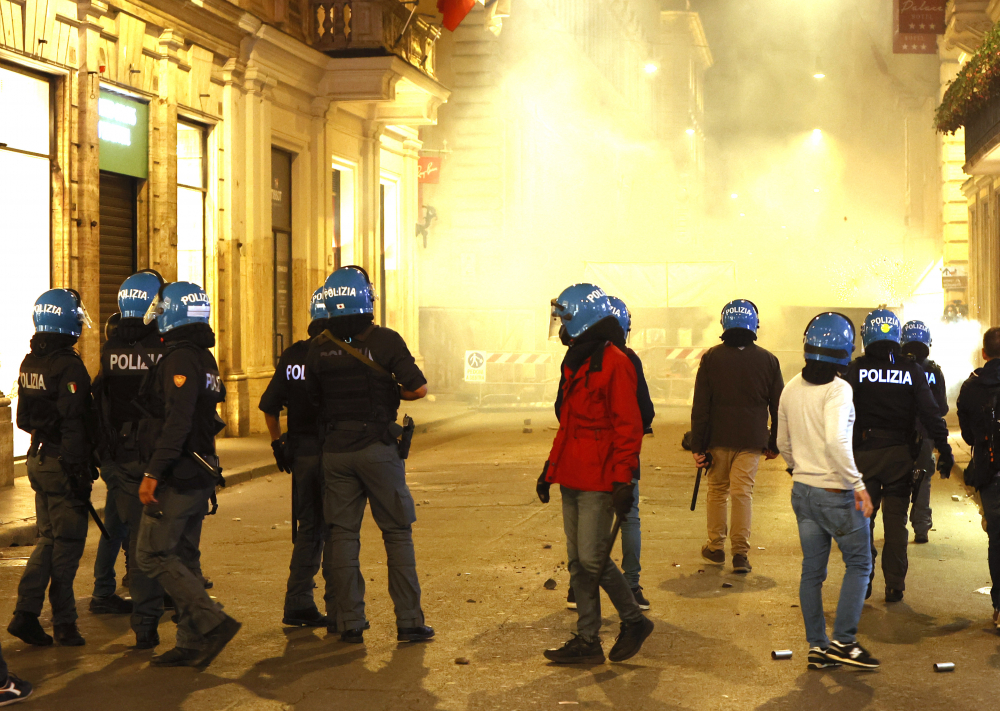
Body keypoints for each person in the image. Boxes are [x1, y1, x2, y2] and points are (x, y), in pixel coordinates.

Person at [306, 266, 432, 644]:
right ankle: (409, 621)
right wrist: (392, 393)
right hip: (378, 449)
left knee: (342, 536)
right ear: (368, 300)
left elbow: (313, 400)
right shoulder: (387, 341)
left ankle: (349, 622)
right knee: (397, 534)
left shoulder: (318, 347)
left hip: (336, 452)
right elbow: (418, 389)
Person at [538, 283, 653, 665]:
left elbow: (628, 426)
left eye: (566, 320)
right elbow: (568, 424)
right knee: (577, 562)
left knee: (592, 559)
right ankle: (587, 640)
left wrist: (623, 480)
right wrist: (549, 470)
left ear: (583, 320)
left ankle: (633, 620)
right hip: (572, 473)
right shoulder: (577, 360)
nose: (562, 329)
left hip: (600, 478)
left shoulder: (615, 361)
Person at [136, 281, 241, 668]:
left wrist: (152, 472)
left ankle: (211, 622)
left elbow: (176, 423)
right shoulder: (203, 356)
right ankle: (192, 643)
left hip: (179, 474)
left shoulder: (180, 359)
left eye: (162, 309)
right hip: (200, 471)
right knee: (185, 555)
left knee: (152, 554)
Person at [778, 312, 879, 670]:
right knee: (859, 562)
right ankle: (845, 642)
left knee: (812, 571)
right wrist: (857, 484)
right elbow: (838, 442)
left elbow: (782, 443)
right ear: (845, 351)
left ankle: (818, 648)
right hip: (835, 493)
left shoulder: (791, 386)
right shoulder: (839, 389)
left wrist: (798, 469)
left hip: (803, 491)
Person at [844, 309, 953, 603]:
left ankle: (863, 580)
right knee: (895, 524)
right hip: (900, 459)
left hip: (863, 457)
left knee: (863, 522)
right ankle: (894, 585)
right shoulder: (912, 370)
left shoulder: (855, 370)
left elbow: (839, 414)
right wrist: (944, 449)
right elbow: (932, 414)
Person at [7, 289, 96, 647]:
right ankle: (62, 622)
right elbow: (76, 422)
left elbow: (24, 419)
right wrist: (77, 468)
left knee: (48, 540)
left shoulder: (30, 362)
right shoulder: (69, 366)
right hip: (62, 463)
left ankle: (27, 613)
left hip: (37, 459)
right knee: (67, 545)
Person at [561, 295, 654, 611]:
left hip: (593, 461)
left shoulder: (579, 359)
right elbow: (644, 413)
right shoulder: (627, 358)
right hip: (616, 460)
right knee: (627, 521)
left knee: (587, 542)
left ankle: (582, 591)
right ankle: (631, 586)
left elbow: (563, 411)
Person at [91, 272, 168, 648]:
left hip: (118, 456)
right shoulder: (166, 347)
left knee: (120, 528)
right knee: (147, 540)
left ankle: (114, 593)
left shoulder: (110, 349)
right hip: (152, 459)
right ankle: (146, 620)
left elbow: (101, 400)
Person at [690, 299, 784, 573]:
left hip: (717, 438)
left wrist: (697, 445)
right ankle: (740, 555)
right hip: (753, 439)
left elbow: (701, 406)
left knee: (718, 491)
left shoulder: (711, 358)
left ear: (724, 323)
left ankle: (715, 547)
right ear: (754, 324)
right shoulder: (768, 359)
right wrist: (775, 441)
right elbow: (778, 405)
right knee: (743, 493)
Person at [259, 287, 332, 628]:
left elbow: (269, 407)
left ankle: (298, 601)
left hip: (301, 453)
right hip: (334, 453)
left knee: (309, 529)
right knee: (338, 530)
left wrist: (278, 445)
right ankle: (341, 606)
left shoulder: (292, 356)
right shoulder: (339, 354)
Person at [956, 326, 1000, 633]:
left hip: (990, 470)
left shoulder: (971, 387)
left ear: (984, 354)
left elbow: (969, 434)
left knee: (997, 539)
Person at [89, 313, 133, 618]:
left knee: (119, 525)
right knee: (119, 526)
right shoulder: (115, 378)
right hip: (119, 460)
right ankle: (103, 591)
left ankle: (108, 588)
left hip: (112, 458)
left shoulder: (104, 376)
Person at [901, 320, 948, 544]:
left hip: (899, 434)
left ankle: (897, 524)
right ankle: (921, 528)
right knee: (923, 479)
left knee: (897, 478)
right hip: (926, 435)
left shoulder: (898, 368)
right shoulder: (934, 371)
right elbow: (942, 408)